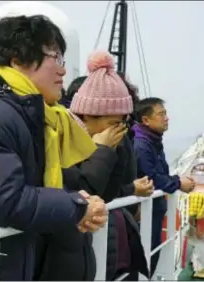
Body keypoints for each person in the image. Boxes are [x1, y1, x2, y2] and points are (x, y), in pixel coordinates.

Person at [0, 15, 107, 281]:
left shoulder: (28, 113)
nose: (63, 71)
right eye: (55, 57)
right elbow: (4, 199)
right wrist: (76, 207)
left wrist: (74, 199)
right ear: (17, 59)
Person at [69, 50, 151, 280]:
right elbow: (85, 189)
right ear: (88, 115)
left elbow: (108, 193)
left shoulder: (109, 141)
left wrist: (116, 149)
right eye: (113, 123)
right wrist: (102, 151)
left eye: (123, 123)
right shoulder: (64, 139)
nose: (119, 130)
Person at [132, 97, 196, 277]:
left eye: (165, 113)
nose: (166, 118)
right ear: (146, 120)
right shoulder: (142, 144)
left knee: (151, 257)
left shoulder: (152, 141)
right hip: (145, 213)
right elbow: (151, 178)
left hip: (153, 213)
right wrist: (178, 183)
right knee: (146, 260)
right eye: (161, 114)